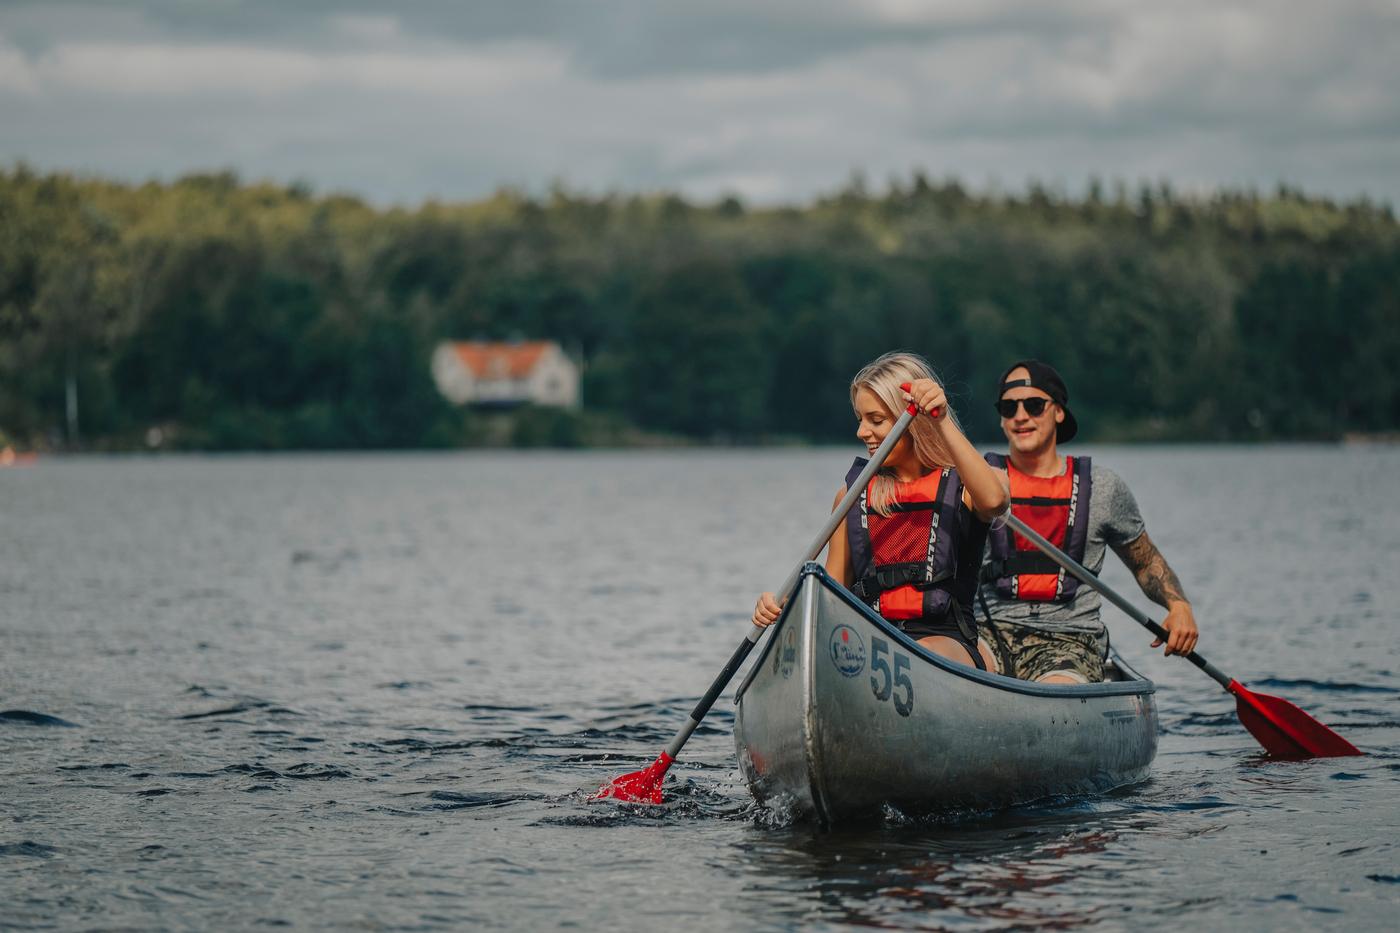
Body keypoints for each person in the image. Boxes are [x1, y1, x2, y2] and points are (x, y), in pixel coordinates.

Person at [752, 351, 1008, 669]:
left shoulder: (966, 487)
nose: (861, 432)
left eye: (876, 420)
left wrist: (940, 419)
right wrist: (785, 609)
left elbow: (995, 501)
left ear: (914, 421)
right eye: (860, 419)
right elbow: (831, 599)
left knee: (924, 653)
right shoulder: (851, 496)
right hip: (868, 643)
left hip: (946, 642)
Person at [978, 360, 1199, 683]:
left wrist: (1179, 606)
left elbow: (1145, 562)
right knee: (951, 664)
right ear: (1001, 419)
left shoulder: (1104, 488)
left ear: (1058, 412)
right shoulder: (977, 484)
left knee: (1052, 695)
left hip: (1070, 640)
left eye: (1034, 405)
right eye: (1009, 407)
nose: (1021, 416)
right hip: (988, 634)